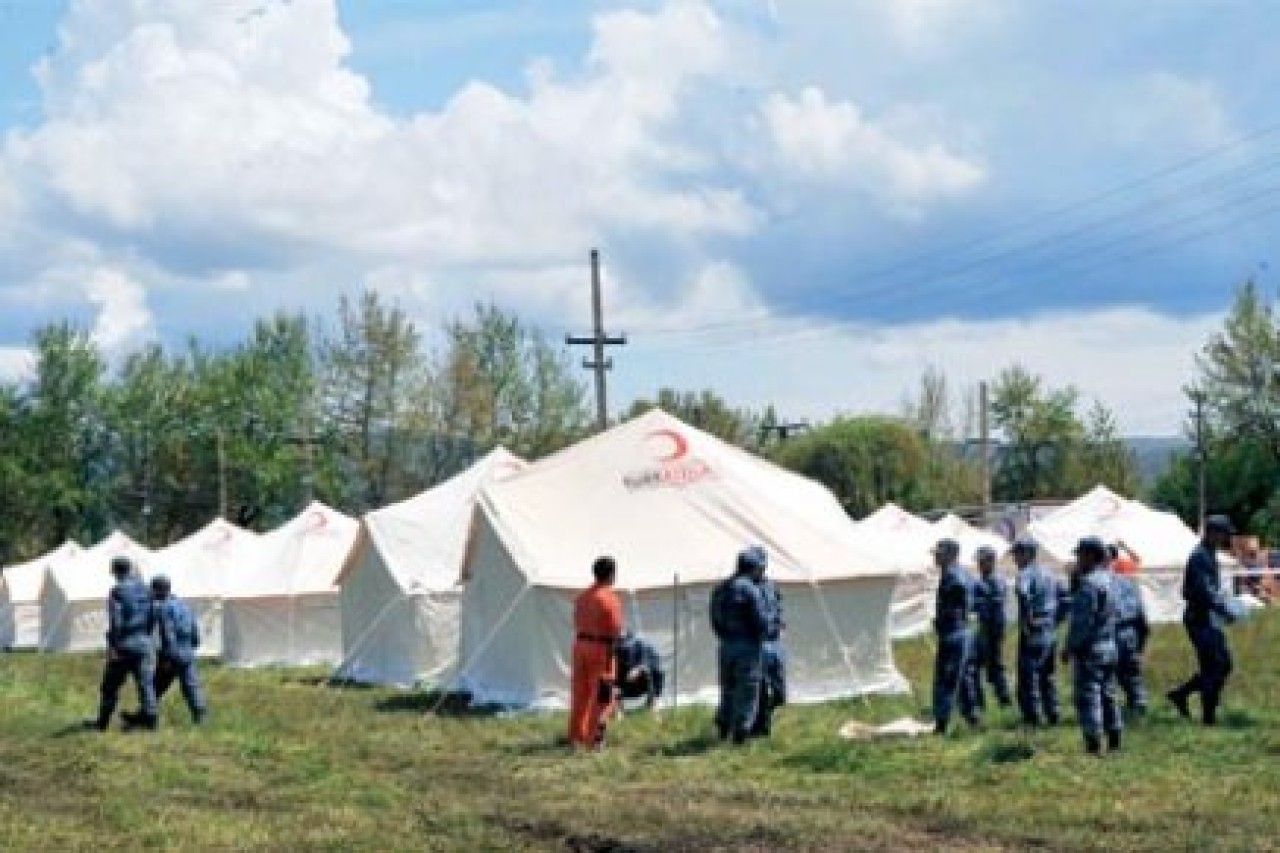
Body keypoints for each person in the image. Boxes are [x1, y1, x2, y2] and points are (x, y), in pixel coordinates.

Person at [1168, 515, 1240, 726]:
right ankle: (1208, 717)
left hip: (1208, 618)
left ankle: (1181, 694)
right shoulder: (1200, 556)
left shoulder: (1209, 554)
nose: (1227, 537)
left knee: (1222, 665)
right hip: (1200, 619)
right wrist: (1224, 609)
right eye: (1224, 533)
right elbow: (1204, 591)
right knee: (1214, 667)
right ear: (1212, 533)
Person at [1062, 536, 1122, 755]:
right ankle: (1115, 740)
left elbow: (1081, 624)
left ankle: (1093, 744)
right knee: (1109, 695)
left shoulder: (1088, 585)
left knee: (1089, 697)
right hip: (1110, 646)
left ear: (1089, 556)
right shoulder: (1110, 580)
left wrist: (1069, 647)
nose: (1077, 559)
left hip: (1091, 649)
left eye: (1079, 555)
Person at [710, 546, 769, 744]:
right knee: (748, 688)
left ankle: (723, 726)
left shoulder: (721, 588)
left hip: (726, 644)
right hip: (747, 644)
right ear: (755, 568)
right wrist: (763, 634)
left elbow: (714, 618)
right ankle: (741, 732)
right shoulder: (750, 589)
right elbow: (759, 619)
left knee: (727, 687)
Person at [92, 556, 158, 732]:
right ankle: (151, 721)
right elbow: (153, 616)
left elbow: (116, 621)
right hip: (143, 642)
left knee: (110, 685)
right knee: (146, 684)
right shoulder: (147, 590)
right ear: (130, 569)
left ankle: (102, 723)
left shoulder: (117, 591)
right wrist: (146, 637)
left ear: (114, 571)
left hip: (124, 644)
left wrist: (113, 645)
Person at [568, 556, 624, 750]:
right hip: (601, 648)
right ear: (611, 574)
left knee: (580, 692)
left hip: (580, 645)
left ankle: (577, 735)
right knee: (602, 695)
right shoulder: (609, 597)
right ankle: (595, 739)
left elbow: (576, 619)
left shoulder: (582, 597)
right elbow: (616, 628)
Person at [1012, 535, 1063, 727]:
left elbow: (1023, 593)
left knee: (1028, 677)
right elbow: (1064, 597)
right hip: (1049, 628)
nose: (1015, 559)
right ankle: (1053, 713)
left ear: (1027, 554)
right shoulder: (1050, 573)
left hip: (1033, 629)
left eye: (1017, 554)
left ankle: (1032, 719)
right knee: (1047, 675)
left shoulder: (1025, 574)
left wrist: (1027, 619)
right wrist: (1056, 619)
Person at [931, 538, 980, 734]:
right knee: (965, 677)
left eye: (939, 553)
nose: (936, 556)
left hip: (953, 631)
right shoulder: (966, 573)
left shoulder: (951, 575)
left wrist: (943, 618)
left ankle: (941, 724)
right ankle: (972, 718)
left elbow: (958, 595)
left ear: (950, 554)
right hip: (965, 631)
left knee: (945, 678)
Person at [147, 575, 207, 724]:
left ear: (158, 590)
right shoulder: (184, 605)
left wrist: (168, 657)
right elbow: (194, 630)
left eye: (152, 590)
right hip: (187, 650)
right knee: (191, 685)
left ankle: (146, 716)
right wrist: (193, 646)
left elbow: (168, 633)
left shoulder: (164, 608)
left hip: (172, 652)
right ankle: (201, 717)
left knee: (155, 686)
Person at [971, 545, 1012, 710]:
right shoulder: (984, 580)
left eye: (983, 561)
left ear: (991, 561)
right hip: (986, 628)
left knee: (994, 667)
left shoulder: (995, 580)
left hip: (993, 629)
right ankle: (980, 703)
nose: (980, 564)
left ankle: (1004, 700)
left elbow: (993, 603)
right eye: (979, 561)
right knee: (976, 666)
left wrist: (977, 601)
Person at [751, 556, 786, 738]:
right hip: (757, 644)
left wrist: (780, 625)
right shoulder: (744, 588)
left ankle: (765, 717)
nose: (761, 569)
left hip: (775, 642)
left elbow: (778, 606)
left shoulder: (771, 586)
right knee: (762, 688)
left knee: (780, 691)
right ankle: (761, 728)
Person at [1111, 564, 1150, 718]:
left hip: (1109, 634)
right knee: (1132, 673)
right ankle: (1139, 705)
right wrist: (1142, 637)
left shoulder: (1094, 582)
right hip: (1130, 633)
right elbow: (1141, 613)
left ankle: (1111, 713)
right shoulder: (1129, 583)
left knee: (1108, 676)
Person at [614, 632, 664, 712]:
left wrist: (638, 669)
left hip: (641, 683)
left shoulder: (641, 645)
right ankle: (618, 710)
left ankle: (653, 704)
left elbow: (646, 664)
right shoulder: (615, 652)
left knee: (656, 672)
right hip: (625, 685)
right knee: (612, 682)